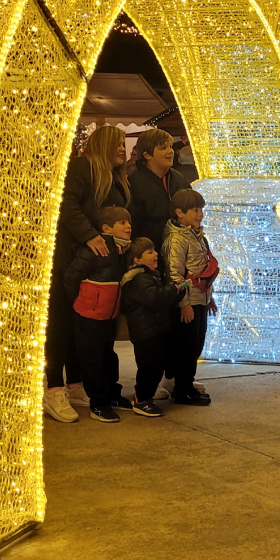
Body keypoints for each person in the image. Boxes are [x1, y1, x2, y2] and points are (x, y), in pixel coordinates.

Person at [46, 125, 130, 423]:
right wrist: (90, 236)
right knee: (61, 326)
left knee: (81, 329)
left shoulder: (115, 179)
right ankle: (53, 387)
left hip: (94, 267)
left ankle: (75, 384)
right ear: (105, 144)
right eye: (118, 143)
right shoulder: (83, 167)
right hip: (70, 262)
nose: (123, 148)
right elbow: (66, 206)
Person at [64, 206, 135, 423]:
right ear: (106, 228)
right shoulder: (96, 249)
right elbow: (71, 277)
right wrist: (81, 301)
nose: (128, 226)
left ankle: (112, 394)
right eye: (122, 223)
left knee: (108, 356)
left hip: (108, 314)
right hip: (89, 313)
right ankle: (98, 403)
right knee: (92, 359)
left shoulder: (122, 251)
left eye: (128, 222)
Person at [119, 237, 188, 416]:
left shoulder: (151, 276)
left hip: (155, 329)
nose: (156, 254)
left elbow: (163, 299)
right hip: (145, 332)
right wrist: (173, 289)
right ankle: (141, 399)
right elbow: (155, 299)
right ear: (136, 259)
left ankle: (146, 397)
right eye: (150, 252)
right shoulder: (139, 279)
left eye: (155, 250)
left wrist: (178, 292)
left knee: (156, 365)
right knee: (149, 366)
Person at [163, 188, 217, 405]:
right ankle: (182, 388)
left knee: (196, 344)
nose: (200, 214)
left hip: (200, 300)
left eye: (201, 210)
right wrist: (183, 303)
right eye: (195, 210)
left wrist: (208, 298)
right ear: (179, 213)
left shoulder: (196, 235)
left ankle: (187, 384)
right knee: (186, 347)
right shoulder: (177, 239)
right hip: (188, 303)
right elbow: (175, 275)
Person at [128, 127, 192, 250]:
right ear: (147, 155)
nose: (170, 151)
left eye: (170, 146)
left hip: (180, 250)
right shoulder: (134, 183)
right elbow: (133, 224)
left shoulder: (179, 178)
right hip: (149, 252)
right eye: (163, 148)